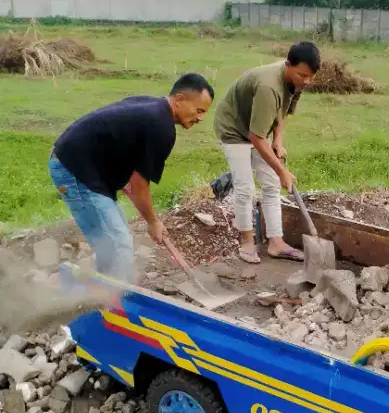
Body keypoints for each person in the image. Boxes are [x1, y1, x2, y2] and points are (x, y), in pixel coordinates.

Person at [49, 73, 215, 282]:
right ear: (180, 99)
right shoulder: (161, 127)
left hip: (85, 168)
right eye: (199, 110)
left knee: (115, 241)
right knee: (117, 243)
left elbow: (123, 149)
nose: (200, 118)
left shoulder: (153, 108)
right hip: (73, 170)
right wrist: (153, 222)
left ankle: (106, 289)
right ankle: (114, 299)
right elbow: (139, 185)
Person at [213, 41, 321, 263]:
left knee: (271, 185)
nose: (307, 81)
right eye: (303, 75)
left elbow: (282, 112)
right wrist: (282, 171)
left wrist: (278, 141)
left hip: (258, 127)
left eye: (310, 76)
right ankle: (247, 242)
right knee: (245, 188)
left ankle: (276, 242)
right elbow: (255, 137)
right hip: (234, 128)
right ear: (288, 65)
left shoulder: (296, 81)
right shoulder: (268, 87)